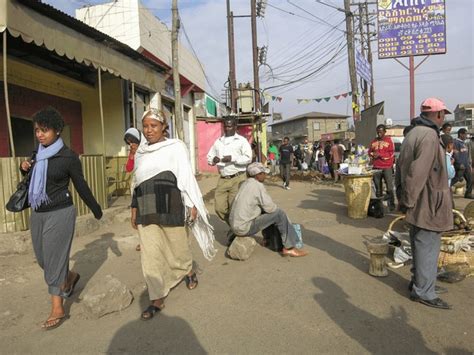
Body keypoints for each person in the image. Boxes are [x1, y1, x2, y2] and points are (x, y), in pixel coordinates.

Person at [19, 107, 103, 330]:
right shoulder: (37, 154)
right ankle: (70, 276)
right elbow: (33, 180)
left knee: (54, 260)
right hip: (38, 213)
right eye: (37, 130)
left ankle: (57, 307)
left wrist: (95, 208)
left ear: (57, 130)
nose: (40, 134)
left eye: (44, 130)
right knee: (43, 259)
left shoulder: (68, 156)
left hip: (60, 212)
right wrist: (23, 167)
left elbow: (80, 185)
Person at [132, 108, 216, 320]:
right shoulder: (141, 152)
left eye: (154, 126)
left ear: (163, 128)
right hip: (146, 205)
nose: (149, 130)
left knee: (177, 247)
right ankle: (156, 297)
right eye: (146, 126)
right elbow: (137, 183)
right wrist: (134, 208)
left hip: (172, 204)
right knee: (150, 253)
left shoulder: (175, 147)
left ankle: (187, 270)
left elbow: (185, 177)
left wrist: (192, 204)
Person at [397, 98, 453, 310]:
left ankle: (420, 284)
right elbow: (417, 173)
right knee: (428, 246)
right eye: (443, 114)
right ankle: (424, 292)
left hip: (420, 198)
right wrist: (408, 200)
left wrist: (405, 198)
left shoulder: (413, 133)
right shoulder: (429, 136)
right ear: (438, 115)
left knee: (420, 244)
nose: (444, 118)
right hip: (428, 200)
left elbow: (402, 168)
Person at [229, 162, 308, 257]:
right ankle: (289, 248)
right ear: (257, 175)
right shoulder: (257, 186)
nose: (265, 176)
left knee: (264, 211)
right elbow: (271, 208)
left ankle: (267, 239)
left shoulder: (245, 184)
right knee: (279, 214)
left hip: (235, 226)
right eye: (263, 173)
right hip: (244, 228)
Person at [207, 117, 252, 229]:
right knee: (219, 208)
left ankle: (237, 230)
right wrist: (213, 160)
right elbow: (209, 156)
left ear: (235, 127)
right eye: (225, 126)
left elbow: (248, 158)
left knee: (234, 207)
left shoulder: (241, 141)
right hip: (223, 178)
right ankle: (234, 226)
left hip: (238, 178)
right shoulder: (218, 142)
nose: (227, 129)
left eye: (230, 126)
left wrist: (233, 158)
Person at [368, 124, 396, 210]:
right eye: (377, 132)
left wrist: (380, 154)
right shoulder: (373, 141)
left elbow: (391, 153)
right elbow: (369, 151)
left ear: (384, 131)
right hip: (376, 167)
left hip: (387, 167)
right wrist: (373, 154)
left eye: (380, 132)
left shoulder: (389, 141)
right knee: (378, 188)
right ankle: (379, 207)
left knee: (389, 187)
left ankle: (391, 205)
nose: (379, 134)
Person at [451, 128, 473, 199]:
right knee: (456, 178)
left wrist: (469, 164)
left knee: (470, 179)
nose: (466, 136)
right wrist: (459, 163)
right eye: (465, 134)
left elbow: (466, 154)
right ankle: (445, 188)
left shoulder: (463, 143)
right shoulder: (456, 142)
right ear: (461, 134)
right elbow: (455, 154)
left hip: (466, 165)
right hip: (460, 165)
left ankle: (468, 194)